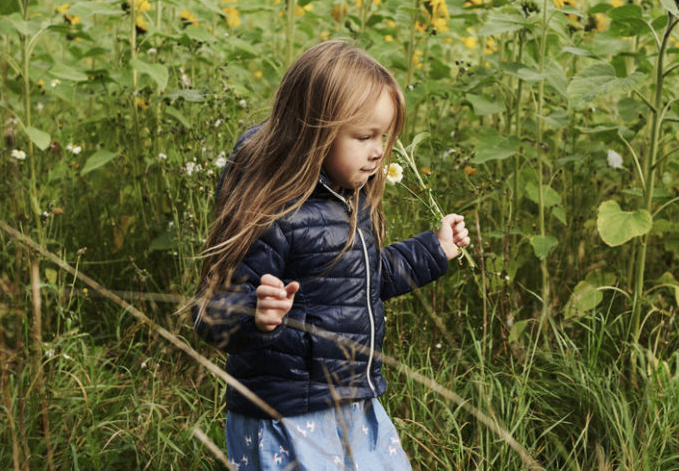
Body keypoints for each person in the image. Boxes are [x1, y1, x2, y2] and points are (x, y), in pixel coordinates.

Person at [192, 40, 471, 470]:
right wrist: (257, 314)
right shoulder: (272, 211)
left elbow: (365, 277)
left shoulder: (346, 199)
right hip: (291, 415)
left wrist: (434, 249)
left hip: (351, 402)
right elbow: (211, 313)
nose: (379, 150)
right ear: (313, 132)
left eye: (384, 137)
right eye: (364, 137)